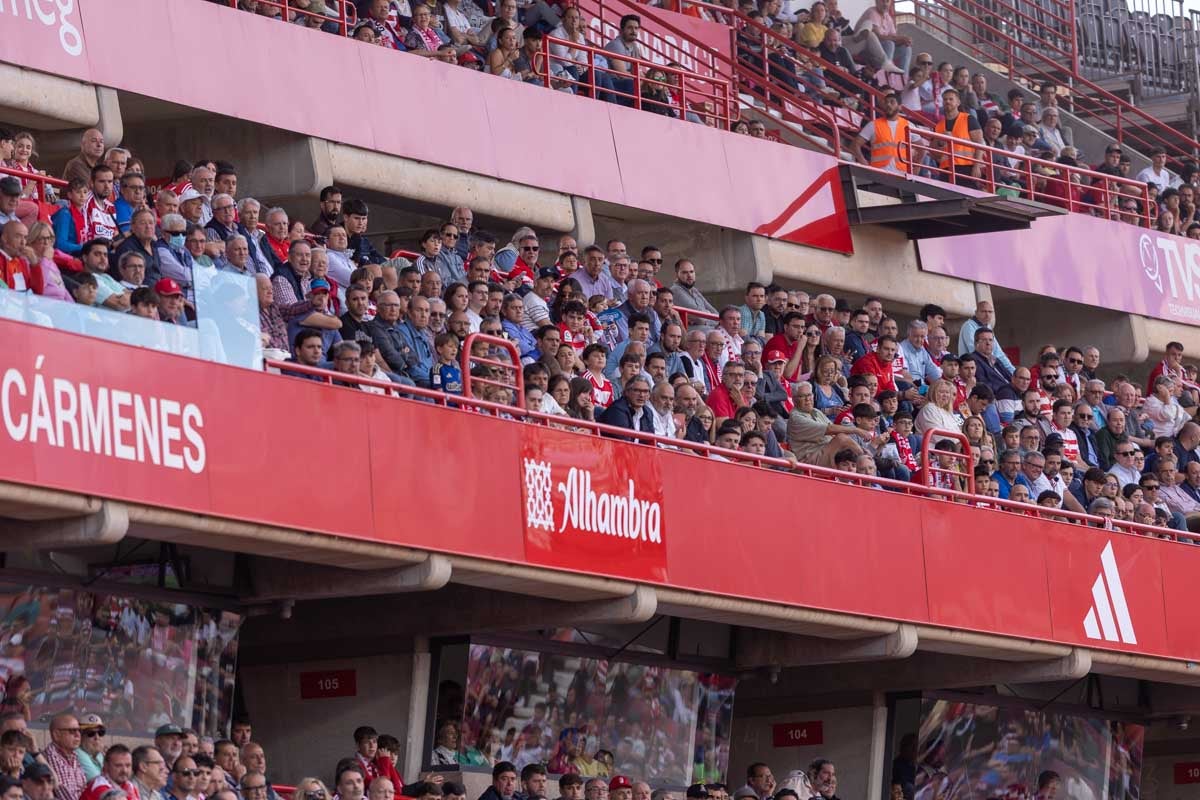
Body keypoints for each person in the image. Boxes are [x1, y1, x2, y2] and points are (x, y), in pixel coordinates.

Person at [45, 715, 85, 800]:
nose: (78, 735)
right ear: (56, 735)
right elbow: (65, 796)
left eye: (79, 730)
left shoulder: (73, 756)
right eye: (72, 731)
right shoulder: (51, 756)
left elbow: (83, 790)